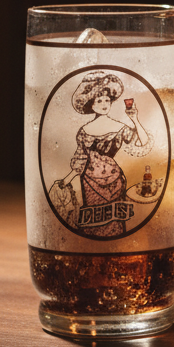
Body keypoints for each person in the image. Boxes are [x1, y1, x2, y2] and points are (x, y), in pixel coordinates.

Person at [60, 71, 152, 237]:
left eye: (107, 100)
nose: (104, 104)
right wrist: (66, 180)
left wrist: (135, 119)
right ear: (91, 105)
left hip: (115, 180)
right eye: (99, 100)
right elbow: (81, 160)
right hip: (90, 181)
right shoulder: (84, 131)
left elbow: (144, 142)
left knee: (115, 222)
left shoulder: (119, 127)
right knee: (93, 222)